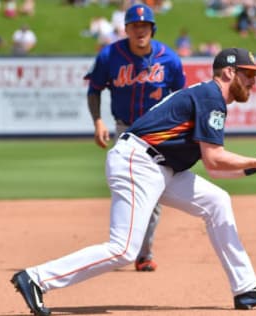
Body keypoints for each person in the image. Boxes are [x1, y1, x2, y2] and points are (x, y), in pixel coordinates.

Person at [10, 47, 256, 316]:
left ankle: (246, 289)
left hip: (161, 168)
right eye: (248, 74)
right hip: (140, 162)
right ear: (229, 73)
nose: (253, 82)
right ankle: (35, 278)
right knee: (123, 250)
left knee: (217, 201)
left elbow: (217, 170)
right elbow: (214, 160)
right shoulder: (211, 97)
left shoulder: (208, 97)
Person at [83, 3, 186, 272]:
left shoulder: (170, 59)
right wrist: (97, 121)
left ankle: (144, 253)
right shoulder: (109, 56)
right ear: (126, 29)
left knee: (152, 193)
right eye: (134, 26)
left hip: (158, 133)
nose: (139, 30)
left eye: (144, 26)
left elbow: (181, 98)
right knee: (127, 191)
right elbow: (94, 90)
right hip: (125, 129)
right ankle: (120, 246)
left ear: (152, 29)